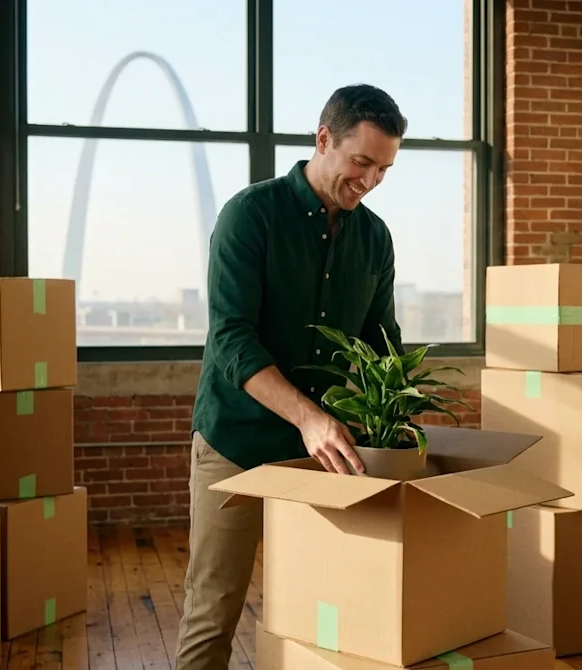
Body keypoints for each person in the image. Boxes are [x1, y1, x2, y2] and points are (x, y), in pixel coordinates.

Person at [174, 83, 407, 670]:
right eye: (362, 162)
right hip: (237, 440)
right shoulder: (249, 216)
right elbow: (231, 338)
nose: (372, 180)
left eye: (384, 168)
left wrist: (402, 413)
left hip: (322, 457)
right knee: (214, 606)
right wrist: (308, 417)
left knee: (321, 610)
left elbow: (381, 344)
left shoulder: (375, 238)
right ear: (323, 139)